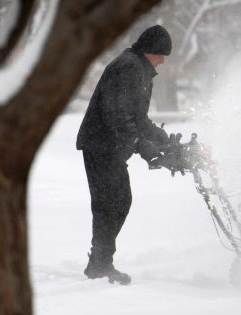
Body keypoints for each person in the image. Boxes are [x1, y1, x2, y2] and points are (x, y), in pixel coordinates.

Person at [76, 25, 173, 285]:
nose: (163, 60)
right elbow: (117, 114)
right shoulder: (129, 67)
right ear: (150, 50)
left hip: (109, 146)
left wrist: (161, 139)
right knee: (112, 203)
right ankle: (100, 264)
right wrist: (141, 145)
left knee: (115, 203)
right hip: (101, 145)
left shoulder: (140, 69)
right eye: (161, 54)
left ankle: (100, 262)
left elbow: (137, 118)